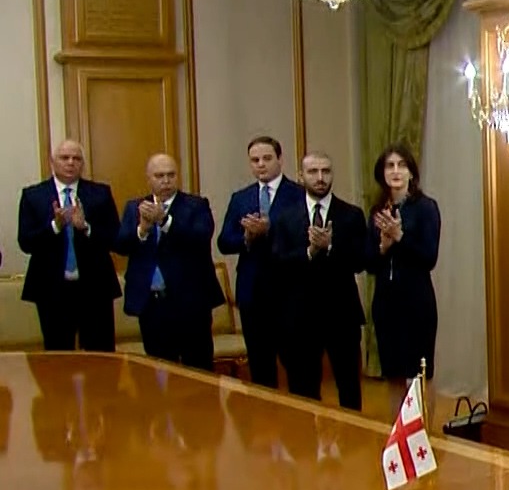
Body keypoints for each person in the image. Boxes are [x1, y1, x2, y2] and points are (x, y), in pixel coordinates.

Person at [272, 152, 367, 410]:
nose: (320, 177)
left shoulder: (351, 214)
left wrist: (331, 247)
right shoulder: (285, 218)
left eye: (326, 171)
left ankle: (351, 432)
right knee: (303, 389)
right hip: (300, 316)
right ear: (301, 176)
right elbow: (278, 262)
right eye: (313, 172)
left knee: (349, 386)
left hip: (342, 313)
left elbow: (361, 261)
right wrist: (310, 252)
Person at [115, 154, 226, 370]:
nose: (166, 181)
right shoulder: (134, 207)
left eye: (171, 175)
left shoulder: (196, 205)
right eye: (159, 176)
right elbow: (120, 245)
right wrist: (142, 230)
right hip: (152, 305)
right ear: (149, 178)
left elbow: (200, 237)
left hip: (191, 304)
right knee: (159, 370)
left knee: (198, 369)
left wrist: (164, 221)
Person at [16, 139, 122, 350]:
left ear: (83, 164)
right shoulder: (33, 196)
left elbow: (115, 239)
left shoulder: (100, 194)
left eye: (76, 159)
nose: (71, 163)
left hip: (95, 288)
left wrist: (86, 227)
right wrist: (55, 226)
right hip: (51, 289)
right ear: (52, 162)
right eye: (64, 158)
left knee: (101, 356)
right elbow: (26, 242)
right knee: (58, 356)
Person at [218, 136, 304, 388]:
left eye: (267, 158)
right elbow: (224, 241)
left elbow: (304, 237)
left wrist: (270, 230)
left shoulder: (299, 195)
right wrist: (246, 237)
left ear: (280, 159)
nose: (261, 164)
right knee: (260, 366)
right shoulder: (241, 198)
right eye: (255, 160)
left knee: (297, 365)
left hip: (289, 292)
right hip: (253, 294)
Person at [365, 144, 441, 387]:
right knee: (393, 374)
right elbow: (369, 264)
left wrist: (400, 237)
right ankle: (396, 416)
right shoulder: (377, 211)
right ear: (382, 173)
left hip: (416, 302)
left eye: (402, 165)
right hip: (386, 304)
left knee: (420, 376)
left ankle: (422, 415)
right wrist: (383, 247)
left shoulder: (426, 208)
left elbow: (429, 258)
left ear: (411, 173)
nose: (396, 171)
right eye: (390, 166)